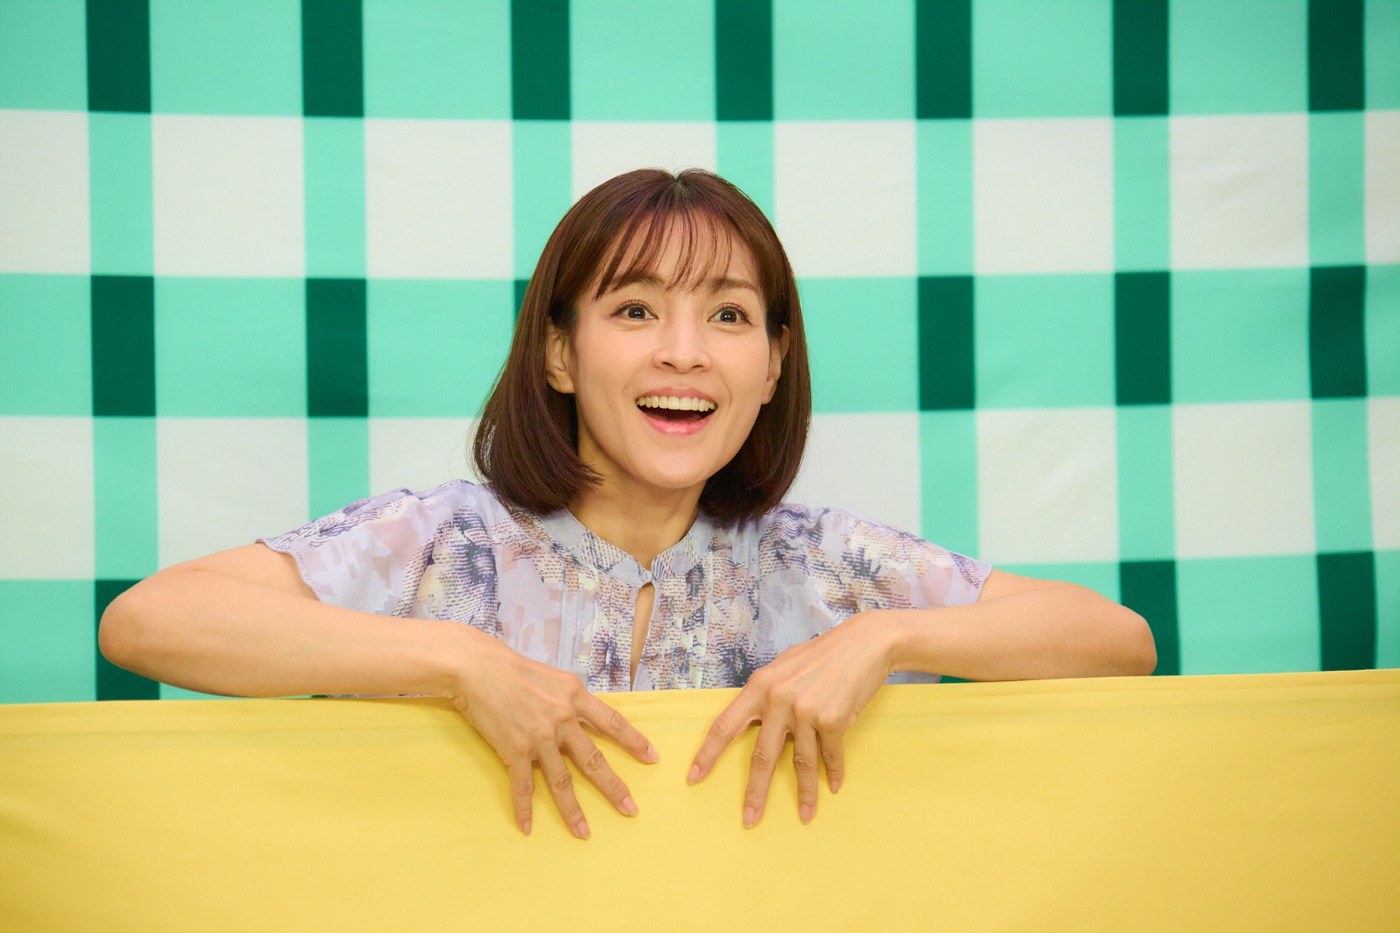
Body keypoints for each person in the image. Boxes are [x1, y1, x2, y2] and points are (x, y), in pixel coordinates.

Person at [99, 168, 1156, 840]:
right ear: (559, 353)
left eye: (728, 316)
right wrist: (462, 663)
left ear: (772, 365)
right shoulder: (441, 541)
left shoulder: (825, 562)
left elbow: (1117, 642)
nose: (683, 352)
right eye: (636, 309)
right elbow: (150, 620)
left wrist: (885, 637)